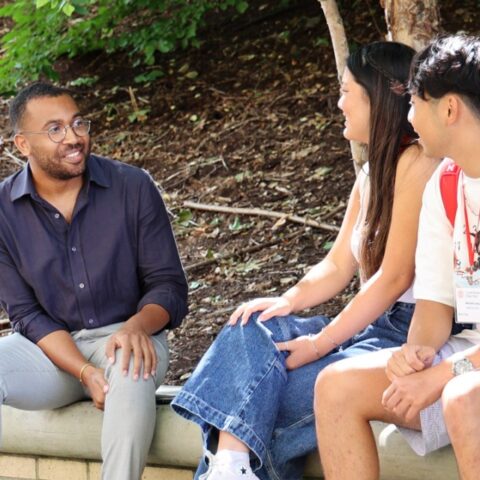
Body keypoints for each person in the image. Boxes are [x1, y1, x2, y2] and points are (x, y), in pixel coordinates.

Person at [172, 41, 439, 480]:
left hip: (404, 332)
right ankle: (231, 465)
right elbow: (337, 266)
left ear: (375, 96)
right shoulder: (371, 174)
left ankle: (229, 467)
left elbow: (394, 278)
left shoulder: (418, 162)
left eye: (345, 91)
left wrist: (321, 342)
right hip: (369, 325)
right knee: (251, 324)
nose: (339, 103)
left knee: (268, 400)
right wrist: (288, 301)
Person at [0, 82, 188, 480]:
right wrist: (85, 373)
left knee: (131, 366)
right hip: (52, 355)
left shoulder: (131, 186)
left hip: (128, 337)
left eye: (77, 123)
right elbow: (27, 315)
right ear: (22, 144)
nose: (73, 138)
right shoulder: (3, 212)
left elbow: (169, 287)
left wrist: (136, 328)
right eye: (54, 129)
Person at [314, 34, 480, 480]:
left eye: (415, 103)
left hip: (468, 374)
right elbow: (434, 306)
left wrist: (446, 372)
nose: (407, 117)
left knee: (463, 397)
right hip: (466, 356)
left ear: (449, 109)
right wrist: (417, 356)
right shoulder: (446, 184)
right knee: (335, 385)